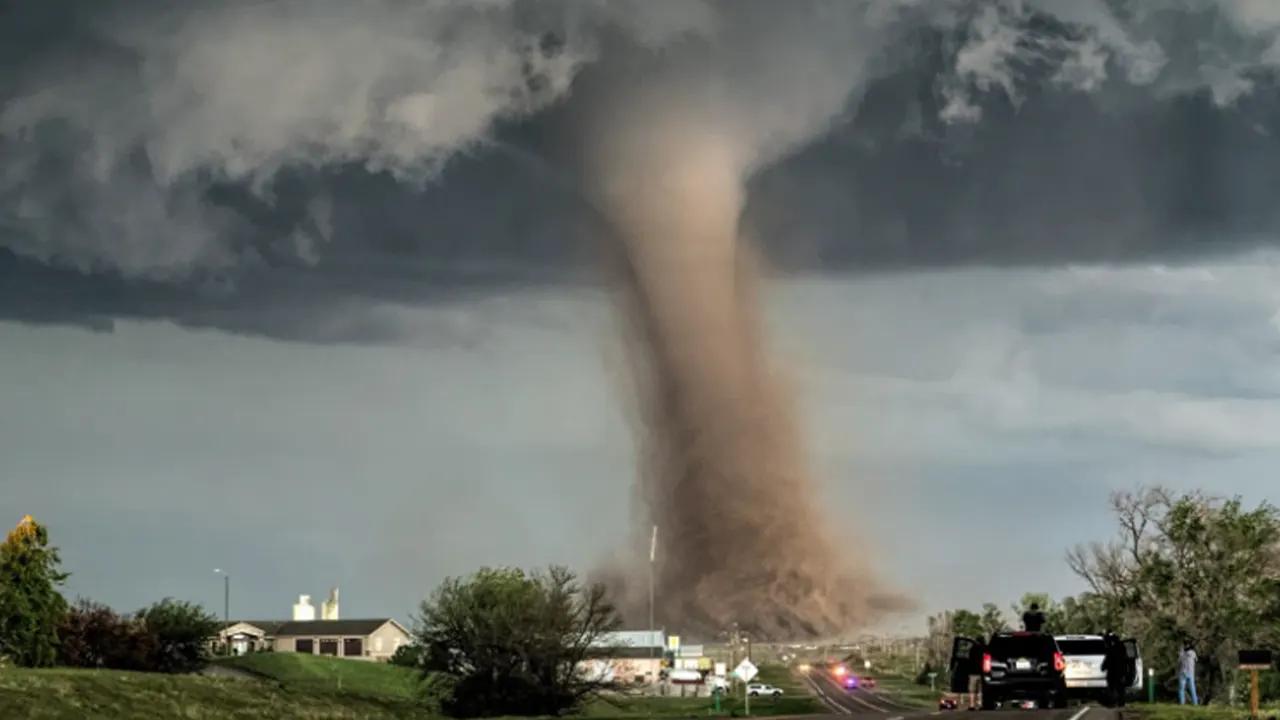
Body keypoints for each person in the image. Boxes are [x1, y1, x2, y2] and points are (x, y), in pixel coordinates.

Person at [1101, 634, 1128, 707]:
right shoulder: (1122, 649)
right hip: (1120, 671)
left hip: (1112, 671)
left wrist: (1103, 667)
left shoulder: (1111, 649)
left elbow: (1107, 660)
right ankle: (1121, 702)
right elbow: (1125, 661)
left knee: (1112, 688)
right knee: (1120, 688)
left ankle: (1113, 702)